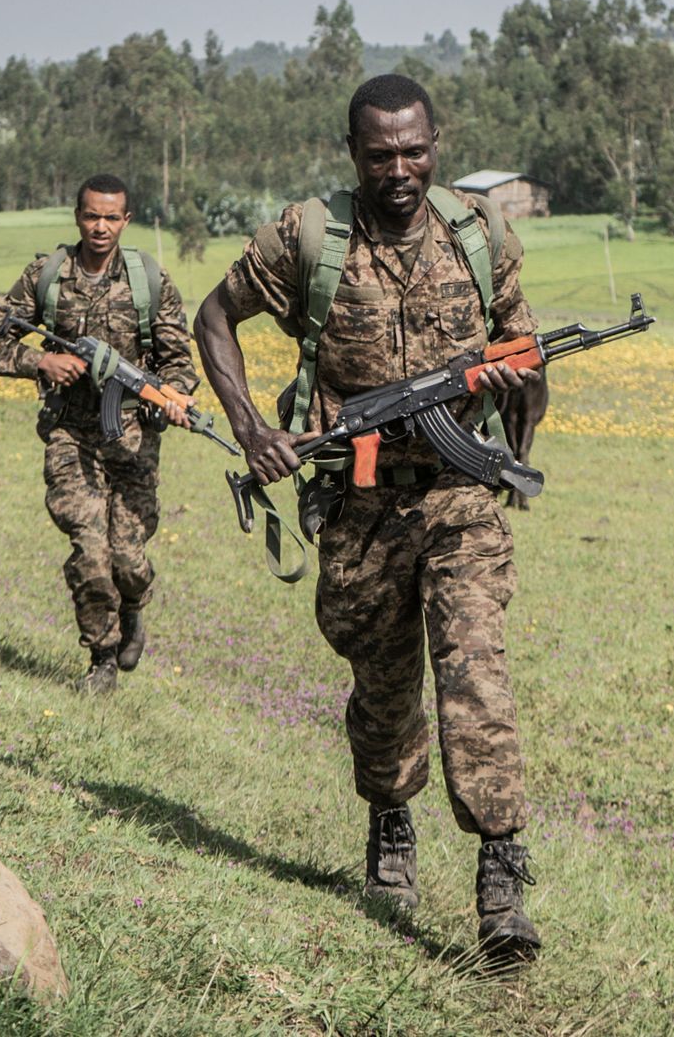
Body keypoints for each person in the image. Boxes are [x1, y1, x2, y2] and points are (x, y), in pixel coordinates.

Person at [192, 74, 546, 963]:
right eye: (381, 153)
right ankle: (392, 821)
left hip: (459, 498)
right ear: (352, 152)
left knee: (475, 672)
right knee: (384, 694)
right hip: (357, 503)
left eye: (415, 150)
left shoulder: (478, 234)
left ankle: (501, 874)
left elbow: (528, 356)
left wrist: (516, 395)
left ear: (438, 143)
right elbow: (214, 316)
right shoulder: (309, 236)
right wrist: (251, 427)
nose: (401, 168)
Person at [0, 174, 198, 693]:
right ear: (77, 216)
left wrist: (174, 397)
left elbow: (179, 359)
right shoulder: (47, 275)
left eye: (111, 217)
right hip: (71, 436)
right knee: (90, 551)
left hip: (135, 440)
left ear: (126, 219)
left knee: (128, 560)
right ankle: (101, 658)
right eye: (91, 216)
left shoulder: (148, 280)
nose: (100, 227)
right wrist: (41, 360)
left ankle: (135, 605)